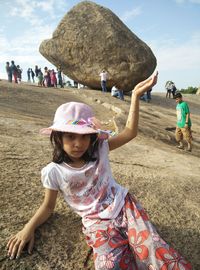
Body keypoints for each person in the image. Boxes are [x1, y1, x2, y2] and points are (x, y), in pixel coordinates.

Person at [7, 72, 191, 269]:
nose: (79, 143)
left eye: (85, 136)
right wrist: (28, 228)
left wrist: (135, 96)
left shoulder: (99, 149)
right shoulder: (53, 172)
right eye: (70, 136)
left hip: (123, 206)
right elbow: (48, 207)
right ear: (58, 137)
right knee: (108, 265)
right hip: (96, 223)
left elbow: (130, 132)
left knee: (153, 249)